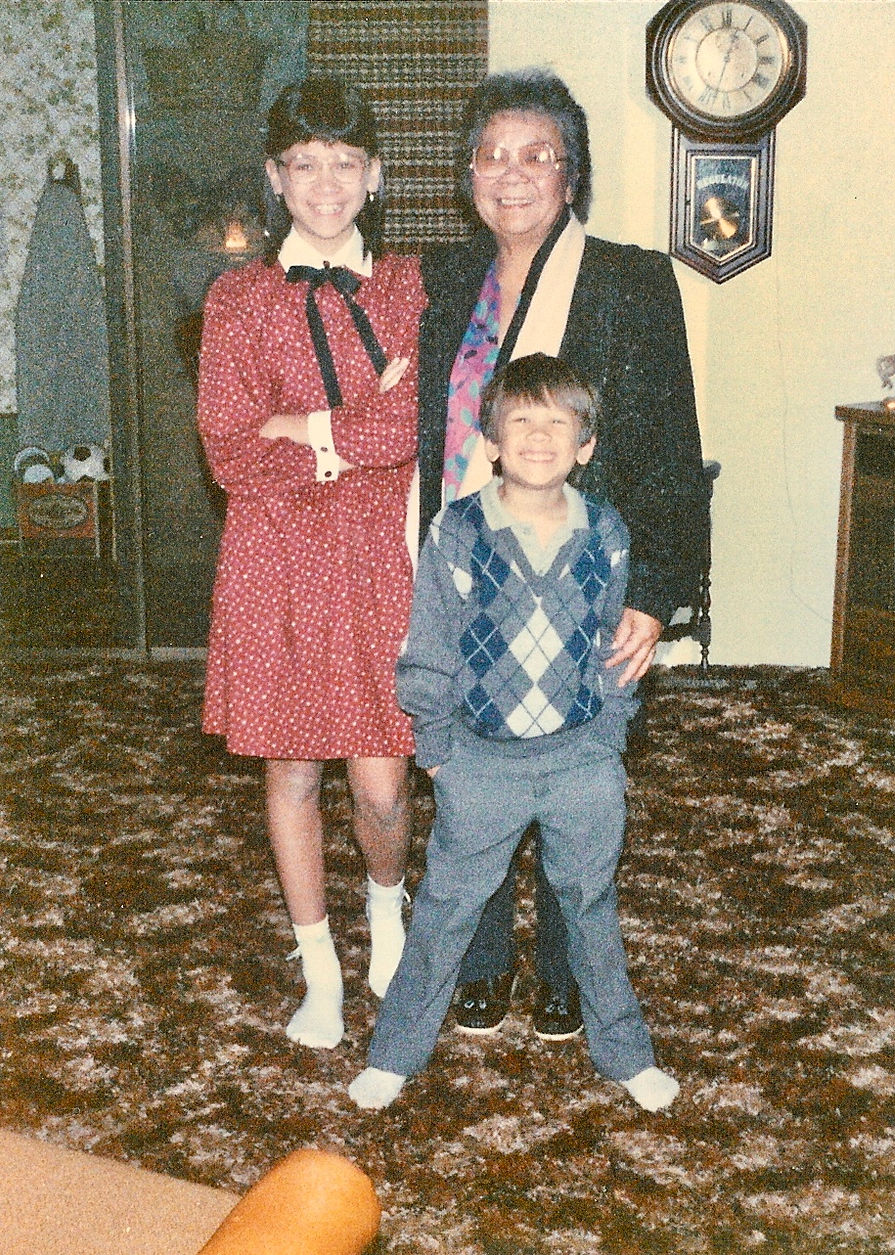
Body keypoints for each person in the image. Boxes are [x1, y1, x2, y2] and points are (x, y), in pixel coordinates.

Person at [416, 68, 706, 1040]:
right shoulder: (445, 281)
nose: (511, 174)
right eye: (491, 154)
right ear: (467, 175)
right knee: (474, 776)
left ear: (569, 177)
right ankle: (484, 955)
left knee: (573, 786)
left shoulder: (628, 279)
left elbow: (668, 448)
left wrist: (657, 597)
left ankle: (563, 968)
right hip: (471, 577)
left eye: (535, 155)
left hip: (585, 582)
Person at [348, 353, 680, 1113]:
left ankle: (626, 1052)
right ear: (491, 438)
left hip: (582, 759)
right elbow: (427, 647)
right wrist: (437, 751)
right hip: (481, 764)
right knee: (445, 910)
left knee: (590, 903)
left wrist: (609, 741)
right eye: (521, 420)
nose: (539, 435)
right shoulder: (457, 530)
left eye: (559, 422)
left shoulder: (607, 531)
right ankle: (395, 1053)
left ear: (585, 445)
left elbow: (615, 647)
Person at [196, 76, 425, 1050]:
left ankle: (386, 915)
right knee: (291, 769)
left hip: (379, 555)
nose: (323, 184)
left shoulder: (414, 285)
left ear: (372, 176)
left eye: (343, 163)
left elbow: (417, 418)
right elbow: (230, 449)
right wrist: (348, 428)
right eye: (303, 165)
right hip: (276, 559)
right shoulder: (237, 298)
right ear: (274, 178)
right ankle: (318, 968)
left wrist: (302, 425)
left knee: (381, 784)